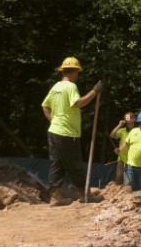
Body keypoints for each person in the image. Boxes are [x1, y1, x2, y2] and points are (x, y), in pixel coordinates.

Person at [42, 57, 102, 205]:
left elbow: (45, 106)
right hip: (67, 133)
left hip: (54, 131)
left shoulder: (55, 87)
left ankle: (55, 197)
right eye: (77, 73)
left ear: (62, 71)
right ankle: (84, 194)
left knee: (56, 164)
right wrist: (94, 92)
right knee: (75, 164)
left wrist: (54, 121)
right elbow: (79, 103)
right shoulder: (70, 87)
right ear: (75, 72)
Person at [109, 112, 136, 186]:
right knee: (119, 177)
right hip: (121, 158)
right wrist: (119, 125)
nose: (129, 125)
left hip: (132, 159)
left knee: (129, 179)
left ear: (134, 122)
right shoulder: (123, 130)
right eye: (128, 123)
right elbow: (112, 135)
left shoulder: (137, 131)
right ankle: (118, 193)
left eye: (131, 123)